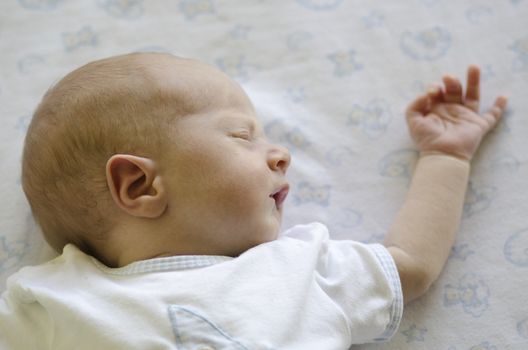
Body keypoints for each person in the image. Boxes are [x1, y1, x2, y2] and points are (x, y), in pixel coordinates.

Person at [0, 52, 507, 349]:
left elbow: (410, 266)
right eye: (242, 136)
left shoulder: (299, 272)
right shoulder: (54, 301)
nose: (280, 153)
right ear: (140, 186)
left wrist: (445, 157)